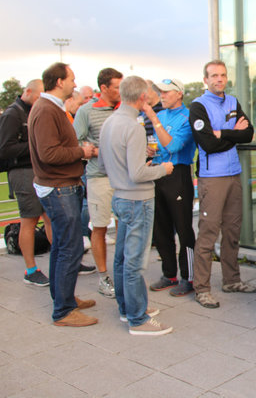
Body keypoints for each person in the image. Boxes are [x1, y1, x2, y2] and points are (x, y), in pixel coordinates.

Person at [98, 75, 174, 335]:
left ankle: (128, 309)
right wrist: (163, 169)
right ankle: (137, 319)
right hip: (137, 199)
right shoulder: (133, 126)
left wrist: (141, 158)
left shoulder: (110, 122)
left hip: (120, 196)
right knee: (134, 261)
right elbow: (138, 174)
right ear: (142, 98)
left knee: (121, 258)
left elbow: (103, 164)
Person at [28, 62, 97, 327]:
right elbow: (49, 154)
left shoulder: (48, 108)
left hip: (60, 185)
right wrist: (83, 152)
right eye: (72, 79)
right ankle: (64, 311)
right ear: (59, 82)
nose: (75, 84)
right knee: (71, 247)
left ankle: (64, 298)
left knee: (62, 246)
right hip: (59, 187)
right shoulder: (46, 110)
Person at [189, 60, 256, 308]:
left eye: (223, 75)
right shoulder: (198, 106)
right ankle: (202, 288)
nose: (219, 79)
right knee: (208, 233)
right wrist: (231, 131)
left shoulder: (233, 102)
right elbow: (208, 144)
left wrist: (222, 132)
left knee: (232, 231)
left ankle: (231, 280)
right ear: (205, 80)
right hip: (212, 178)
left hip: (233, 174)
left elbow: (248, 134)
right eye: (214, 75)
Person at [0, 79, 54, 286]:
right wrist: (35, 145)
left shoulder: (30, 111)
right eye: (39, 96)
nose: (40, 101)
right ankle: (31, 270)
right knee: (29, 220)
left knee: (49, 216)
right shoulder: (12, 114)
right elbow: (5, 149)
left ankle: (62, 261)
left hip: (37, 172)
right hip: (22, 173)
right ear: (28, 92)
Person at [144, 78, 197, 297]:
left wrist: (154, 119)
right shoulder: (162, 115)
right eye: (160, 92)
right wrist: (148, 152)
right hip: (158, 173)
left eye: (166, 92)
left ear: (179, 94)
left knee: (183, 228)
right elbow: (154, 144)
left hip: (178, 175)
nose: (162, 95)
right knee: (161, 227)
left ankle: (189, 277)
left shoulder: (187, 117)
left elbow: (174, 145)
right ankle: (169, 274)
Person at [74, 68, 123, 298]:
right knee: (100, 227)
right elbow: (75, 143)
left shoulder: (125, 108)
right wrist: (93, 151)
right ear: (103, 88)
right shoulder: (85, 111)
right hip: (99, 178)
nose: (121, 91)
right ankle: (104, 278)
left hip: (124, 178)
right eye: (117, 87)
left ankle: (123, 273)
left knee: (125, 225)